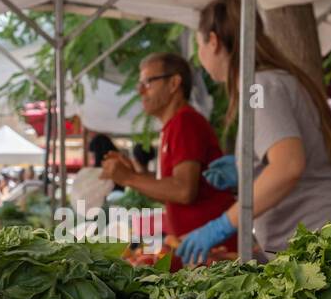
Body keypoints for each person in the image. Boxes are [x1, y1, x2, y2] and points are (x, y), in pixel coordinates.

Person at [173, 0, 331, 262]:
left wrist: (223, 224)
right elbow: (293, 159)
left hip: (326, 237)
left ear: (214, 41)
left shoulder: (259, 86)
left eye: (199, 45)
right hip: (327, 235)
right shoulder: (272, 81)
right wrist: (248, 170)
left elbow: (288, 166)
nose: (200, 57)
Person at [99, 53, 235, 249]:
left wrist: (129, 178)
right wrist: (136, 176)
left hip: (214, 250)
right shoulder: (173, 126)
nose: (140, 90)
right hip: (196, 247)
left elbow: (184, 191)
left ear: (174, 83)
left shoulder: (185, 122)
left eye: (147, 82)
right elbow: (170, 191)